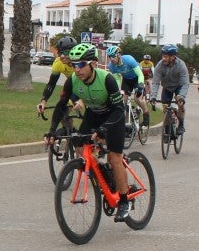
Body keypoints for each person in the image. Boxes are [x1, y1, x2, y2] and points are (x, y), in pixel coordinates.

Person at [45, 43, 133, 221]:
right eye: (74, 64)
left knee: (115, 158)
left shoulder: (106, 79)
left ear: (92, 64)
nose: (77, 69)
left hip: (112, 116)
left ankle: (124, 201)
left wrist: (104, 129)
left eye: (81, 64)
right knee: (80, 148)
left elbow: (119, 109)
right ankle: (102, 172)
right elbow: (62, 106)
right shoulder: (73, 81)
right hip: (93, 114)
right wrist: (52, 131)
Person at [105, 45, 150, 129]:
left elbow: (140, 74)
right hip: (126, 80)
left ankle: (146, 112)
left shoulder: (129, 60)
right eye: (109, 57)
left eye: (113, 56)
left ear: (119, 55)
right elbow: (118, 79)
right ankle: (123, 124)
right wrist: (118, 90)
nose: (111, 59)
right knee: (122, 101)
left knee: (137, 99)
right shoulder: (111, 66)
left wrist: (140, 86)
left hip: (137, 78)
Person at [148, 44, 190, 134]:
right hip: (167, 88)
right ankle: (167, 129)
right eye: (163, 56)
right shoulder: (160, 65)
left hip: (179, 86)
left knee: (180, 102)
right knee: (165, 108)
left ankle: (181, 124)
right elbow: (155, 82)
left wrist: (182, 96)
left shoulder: (181, 65)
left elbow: (185, 83)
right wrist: (153, 97)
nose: (164, 58)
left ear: (173, 57)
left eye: (166, 56)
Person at [36, 35, 78, 114]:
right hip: (73, 88)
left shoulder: (81, 63)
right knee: (62, 113)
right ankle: (68, 126)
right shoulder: (58, 63)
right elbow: (51, 84)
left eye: (65, 52)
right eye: (60, 53)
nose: (62, 56)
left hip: (88, 89)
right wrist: (43, 102)